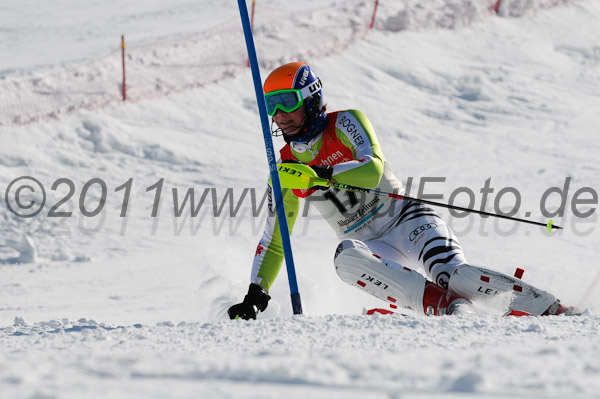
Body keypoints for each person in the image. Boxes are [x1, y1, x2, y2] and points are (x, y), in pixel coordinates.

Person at [227, 62, 577, 320]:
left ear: (310, 98)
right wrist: (256, 293)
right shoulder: (285, 170)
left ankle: (550, 307)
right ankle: (446, 308)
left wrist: (320, 174)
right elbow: (276, 239)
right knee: (346, 257)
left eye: (286, 102)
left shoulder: (345, 122)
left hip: (406, 220)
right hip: (370, 243)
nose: (279, 115)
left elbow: (372, 167)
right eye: (270, 106)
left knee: (457, 275)